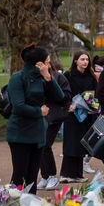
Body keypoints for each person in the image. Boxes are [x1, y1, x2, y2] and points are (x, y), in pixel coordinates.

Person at [7, 45, 64, 194]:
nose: (50, 65)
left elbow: (60, 97)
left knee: (32, 175)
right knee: (19, 174)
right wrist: (39, 111)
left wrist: (48, 77)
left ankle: (30, 205)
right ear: (38, 63)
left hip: (38, 132)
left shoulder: (43, 78)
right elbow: (18, 106)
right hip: (20, 133)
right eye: (47, 61)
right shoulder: (17, 78)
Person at [60, 50, 97, 183]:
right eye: (82, 59)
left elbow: (94, 95)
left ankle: (77, 174)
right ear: (76, 61)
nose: (85, 62)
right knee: (70, 143)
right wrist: (69, 104)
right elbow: (63, 92)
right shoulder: (68, 75)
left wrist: (92, 106)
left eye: (87, 60)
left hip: (85, 115)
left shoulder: (91, 77)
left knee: (81, 144)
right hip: (71, 114)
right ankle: (65, 173)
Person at [37, 62, 72, 190]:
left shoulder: (58, 77)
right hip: (38, 117)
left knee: (45, 145)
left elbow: (66, 96)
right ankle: (45, 176)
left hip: (54, 116)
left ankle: (52, 176)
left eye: (46, 62)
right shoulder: (35, 77)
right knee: (39, 145)